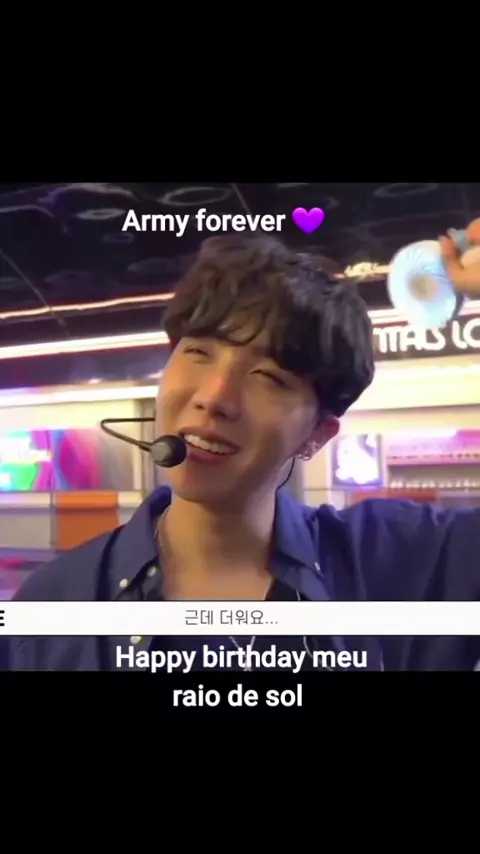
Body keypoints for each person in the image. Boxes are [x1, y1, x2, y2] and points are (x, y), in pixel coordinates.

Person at [2, 233, 480, 672]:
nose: (214, 396)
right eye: (199, 353)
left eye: (268, 377)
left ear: (317, 434)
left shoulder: (397, 563)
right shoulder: (51, 611)